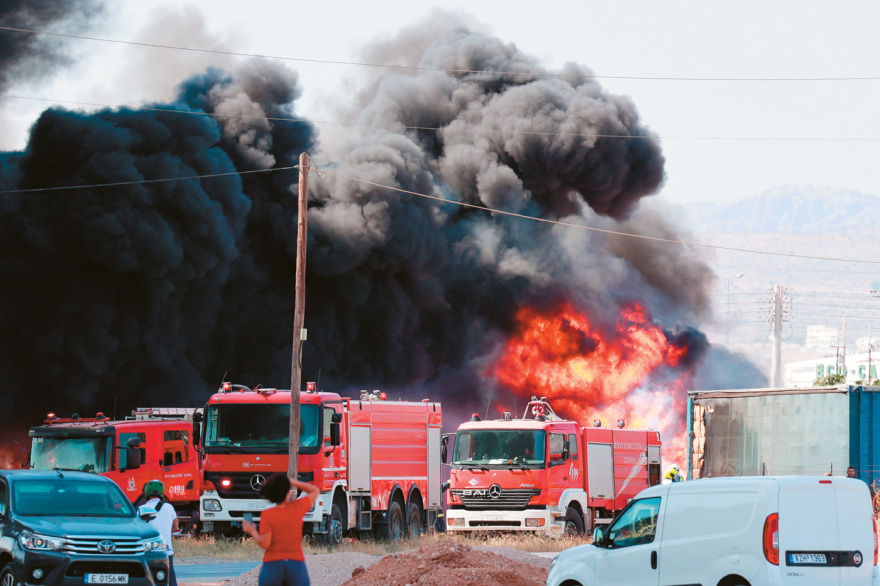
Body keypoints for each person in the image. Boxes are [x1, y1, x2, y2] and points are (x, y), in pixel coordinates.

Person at [242, 473, 320, 586]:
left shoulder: (268, 515)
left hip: (273, 564)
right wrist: (292, 481)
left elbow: (265, 543)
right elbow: (314, 490)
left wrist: (252, 531)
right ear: (288, 493)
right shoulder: (297, 508)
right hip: (295, 563)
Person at [142, 479, 179, 586]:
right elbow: (176, 526)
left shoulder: (141, 509)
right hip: (166, 550)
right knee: (170, 576)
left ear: (147, 493)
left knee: (148, 576)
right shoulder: (169, 507)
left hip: (148, 550)